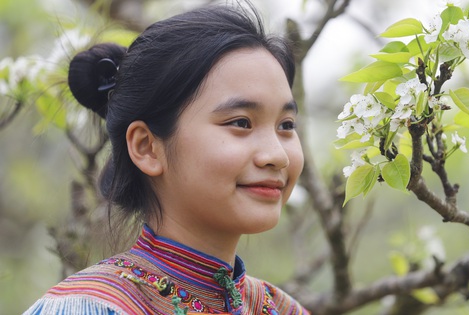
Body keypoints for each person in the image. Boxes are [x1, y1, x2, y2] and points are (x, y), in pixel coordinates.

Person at [23, 2, 307, 314]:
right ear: (147, 147)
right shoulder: (88, 307)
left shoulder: (282, 308)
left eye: (286, 126)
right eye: (241, 122)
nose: (277, 156)